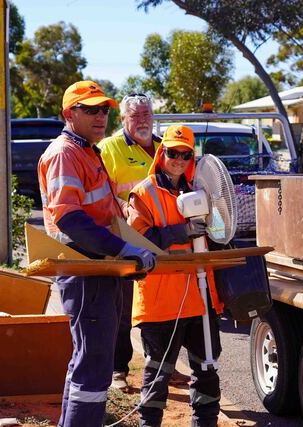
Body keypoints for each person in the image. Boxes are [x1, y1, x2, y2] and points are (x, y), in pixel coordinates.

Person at [37, 80, 156, 427]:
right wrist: (124, 247)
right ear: (69, 113)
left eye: (104, 109)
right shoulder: (65, 153)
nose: (100, 115)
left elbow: (103, 212)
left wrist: (130, 240)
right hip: (86, 269)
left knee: (89, 363)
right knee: (93, 366)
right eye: (90, 109)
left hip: (101, 269)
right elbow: (70, 218)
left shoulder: (89, 150)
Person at [126, 125, 224, 427]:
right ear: (161, 153)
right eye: (173, 152)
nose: (179, 159)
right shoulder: (144, 192)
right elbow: (136, 241)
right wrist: (180, 232)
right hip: (160, 301)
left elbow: (221, 232)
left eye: (185, 154)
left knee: (206, 372)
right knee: (158, 375)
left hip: (200, 297)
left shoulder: (203, 191)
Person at [97, 93, 161, 391]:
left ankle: (160, 367)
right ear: (123, 120)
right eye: (135, 116)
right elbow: (101, 192)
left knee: (157, 309)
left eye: (146, 114)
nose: (142, 120)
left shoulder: (165, 149)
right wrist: (125, 211)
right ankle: (118, 371)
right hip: (122, 241)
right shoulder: (109, 148)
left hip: (160, 242)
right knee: (121, 310)